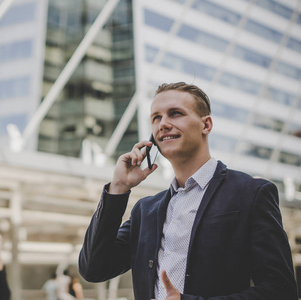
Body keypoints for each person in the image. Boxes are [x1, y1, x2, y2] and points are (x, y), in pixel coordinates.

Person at [78, 82, 298, 300]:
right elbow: (94, 269)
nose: (163, 124)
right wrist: (118, 188)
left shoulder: (251, 194)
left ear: (206, 125)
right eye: (156, 117)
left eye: (175, 114)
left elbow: (280, 290)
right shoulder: (145, 210)